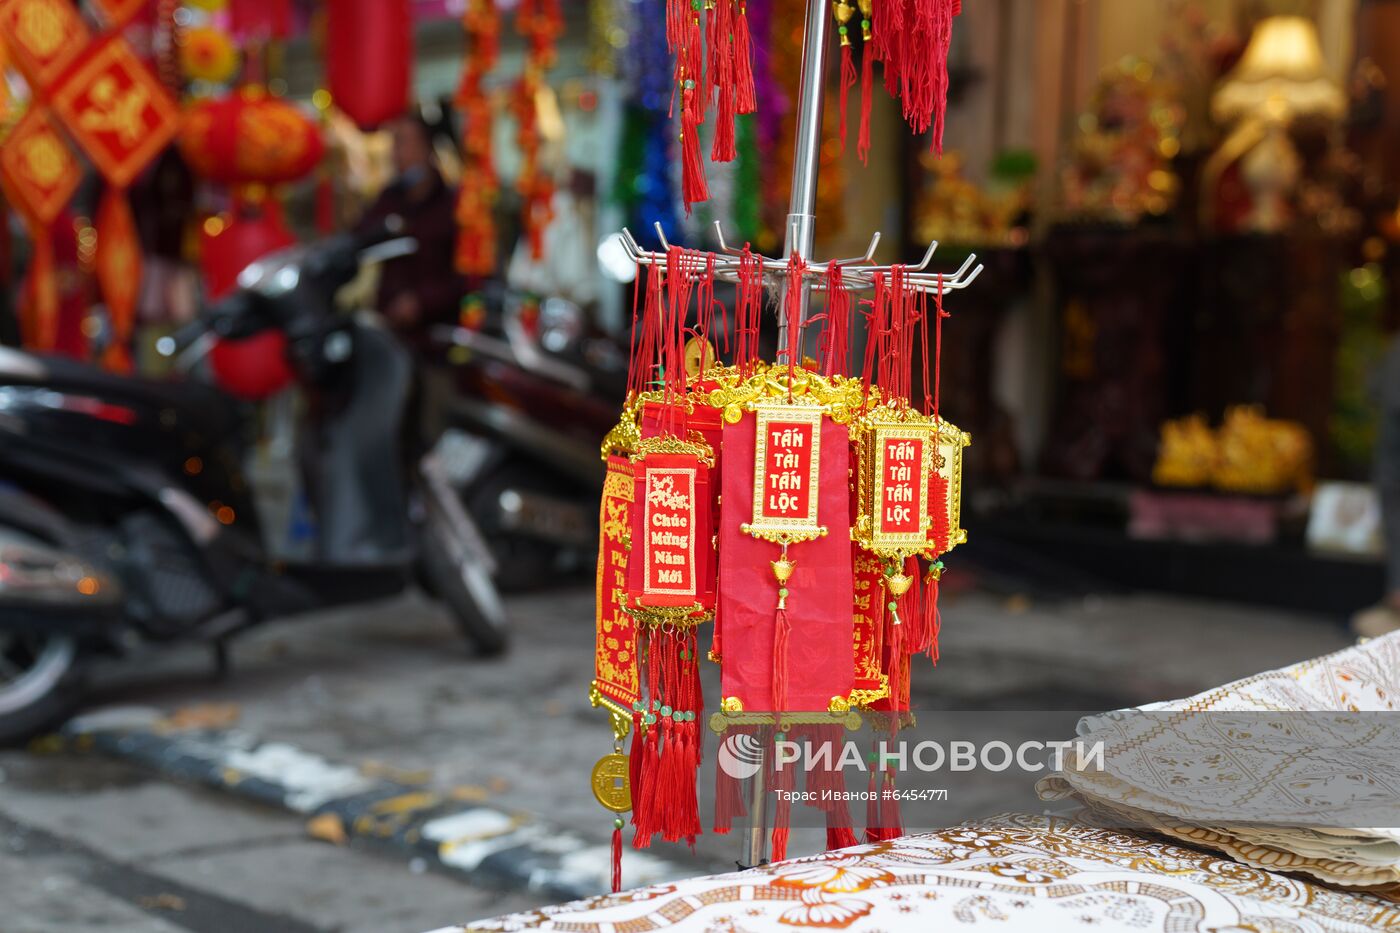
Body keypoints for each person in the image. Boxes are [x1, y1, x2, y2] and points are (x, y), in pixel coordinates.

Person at [356, 112, 464, 350]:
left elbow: (467, 278)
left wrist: (422, 302)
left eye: (403, 143)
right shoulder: (389, 199)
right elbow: (361, 238)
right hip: (392, 337)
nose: (395, 154)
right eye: (394, 144)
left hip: (438, 340)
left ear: (427, 149)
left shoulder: (454, 205)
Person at [1354, 333, 1400, 637]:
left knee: (1395, 525)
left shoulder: (1394, 347)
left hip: (1392, 459)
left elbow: (1377, 394)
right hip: (1392, 459)